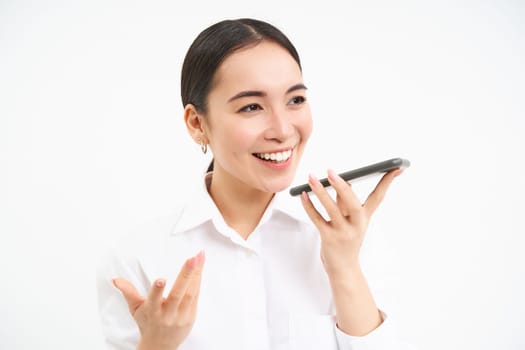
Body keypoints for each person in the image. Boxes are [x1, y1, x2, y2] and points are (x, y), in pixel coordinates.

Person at [97, 18, 415, 350]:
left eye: (295, 100)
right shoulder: (137, 259)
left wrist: (345, 269)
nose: (282, 129)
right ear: (196, 124)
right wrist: (158, 345)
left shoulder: (354, 239)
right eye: (252, 106)